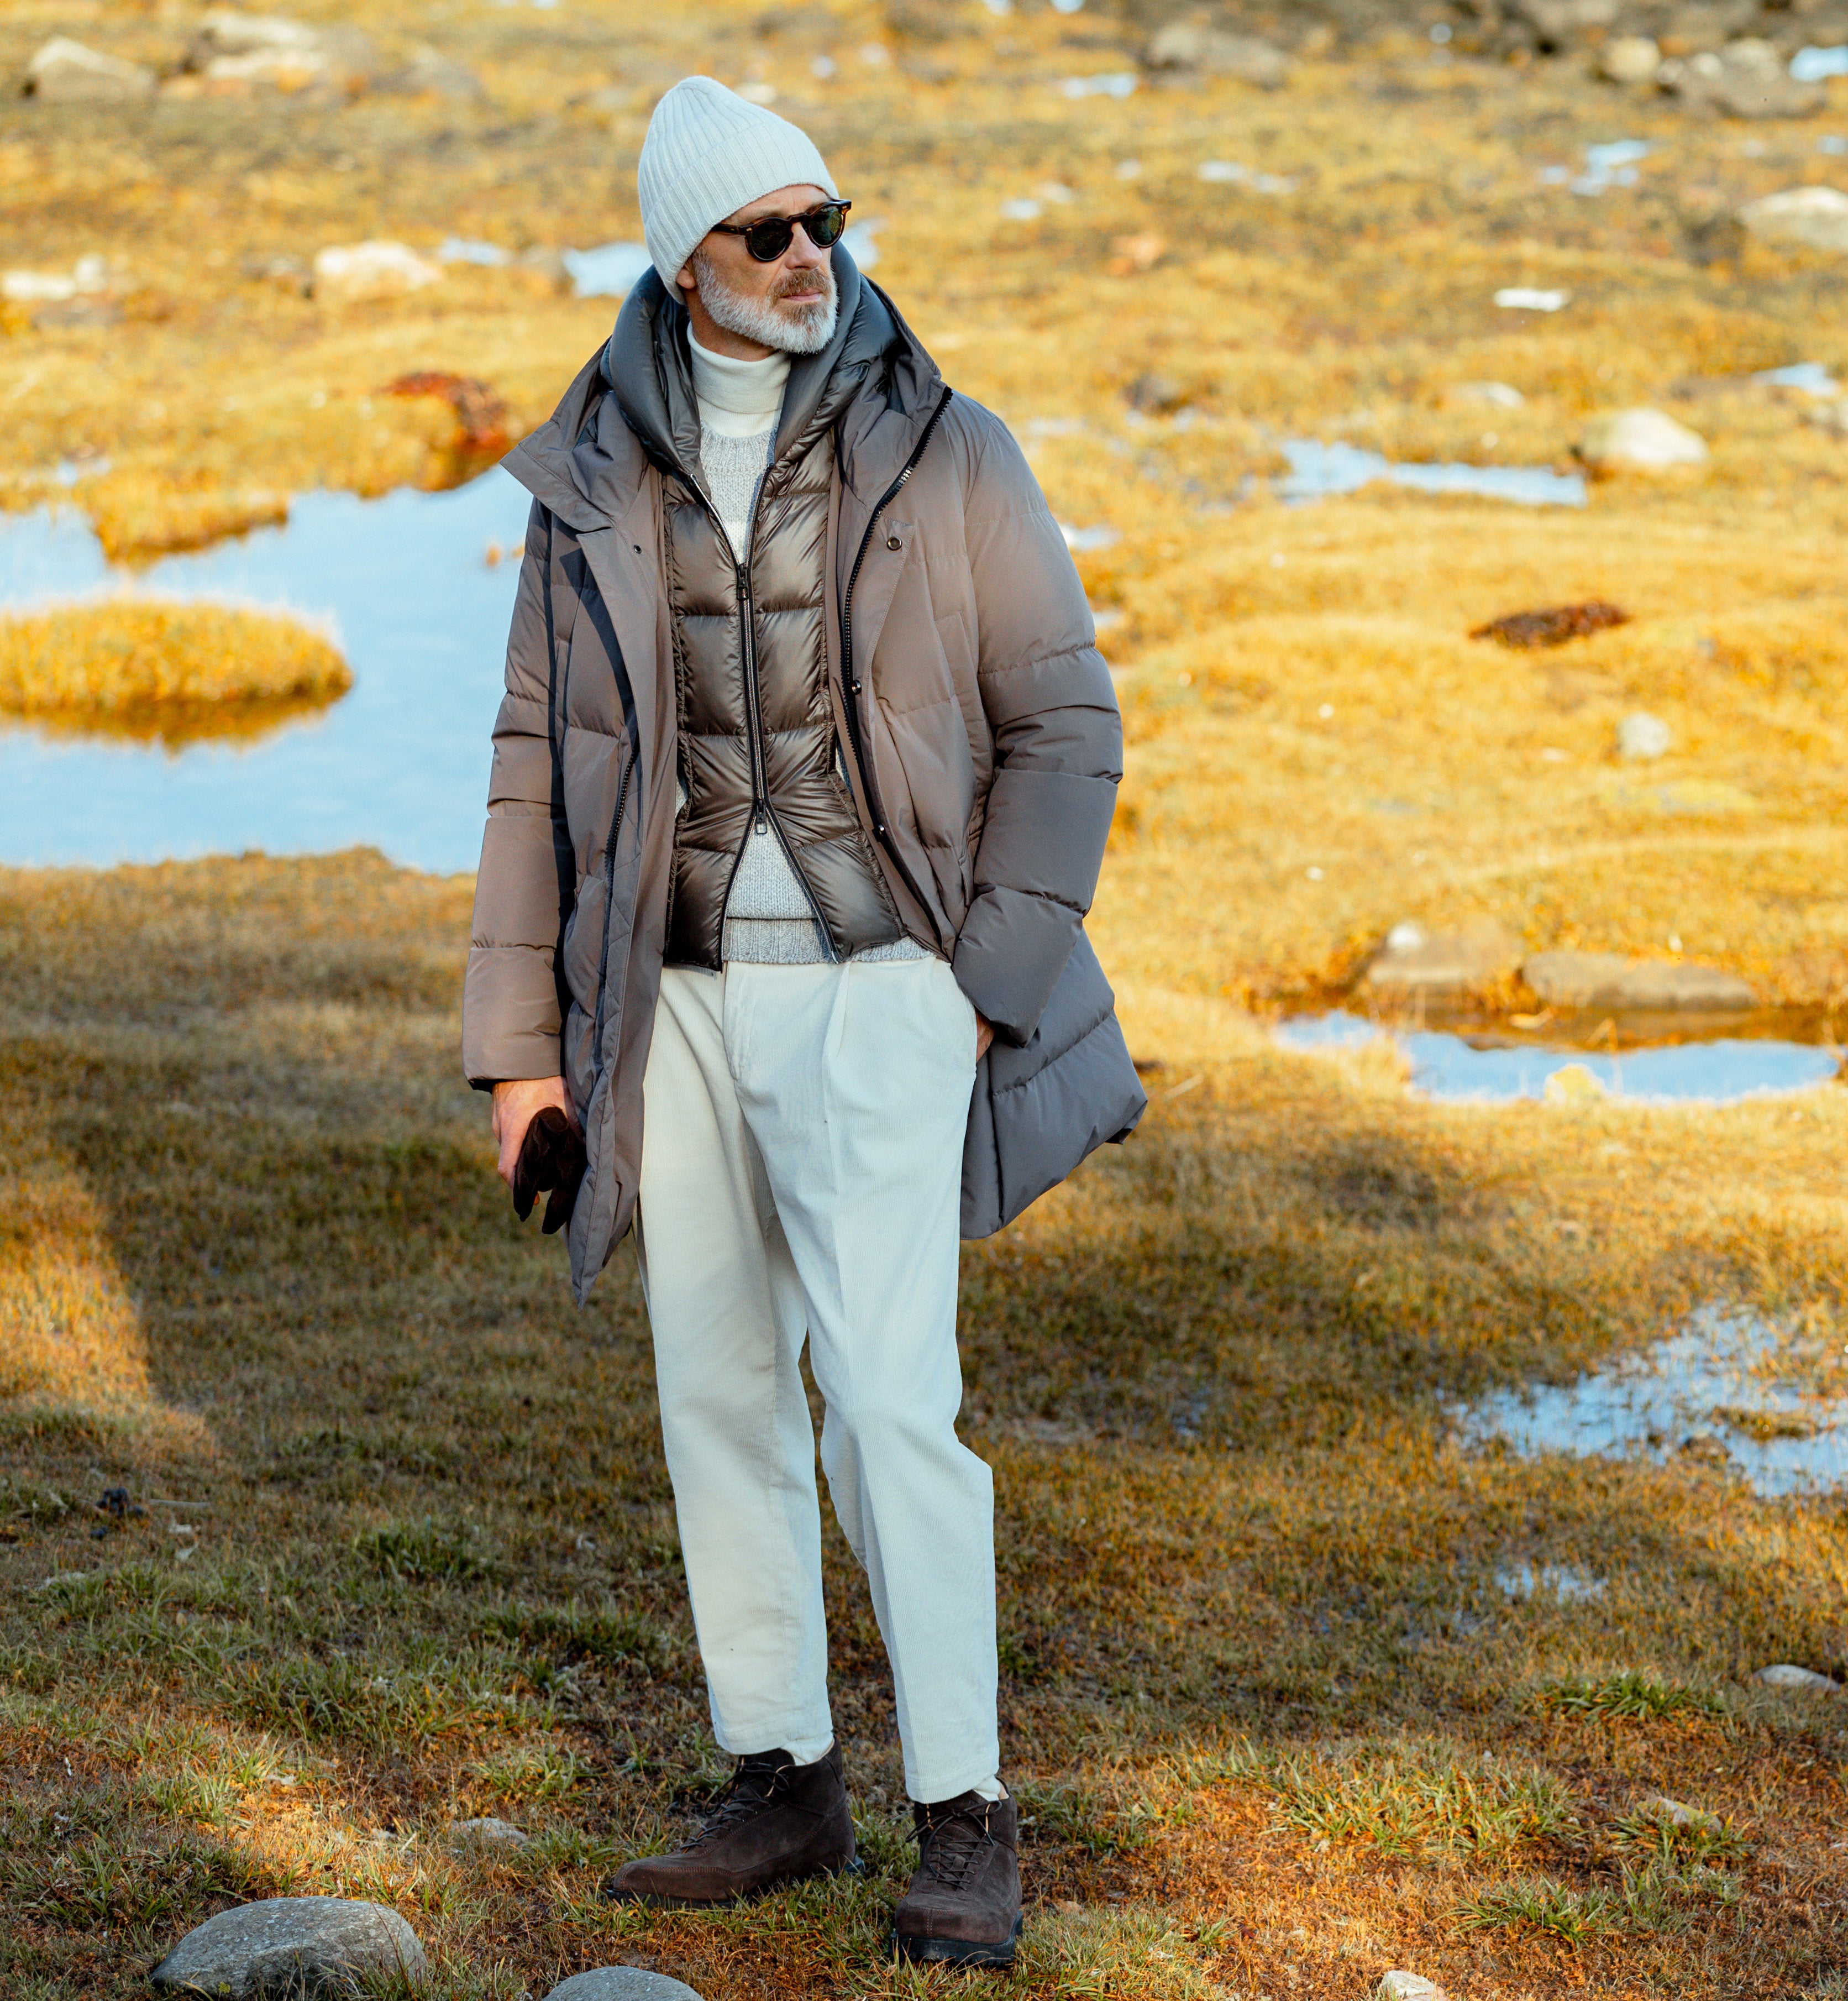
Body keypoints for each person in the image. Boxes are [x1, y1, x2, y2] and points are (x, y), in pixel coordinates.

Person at [460, 76, 1146, 1969]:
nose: (810, 261)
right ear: (685, 261)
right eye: (768, 233)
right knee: (718, 1393)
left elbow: (1064, 727)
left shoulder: (949, 451)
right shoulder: (585, 471)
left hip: (885, 994)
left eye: (828, 222)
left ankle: (964, 1811)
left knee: (894, 1410)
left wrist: (981, 986)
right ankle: (780, 1770)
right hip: (663, 1006)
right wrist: (523, 1049)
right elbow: (536, 765)